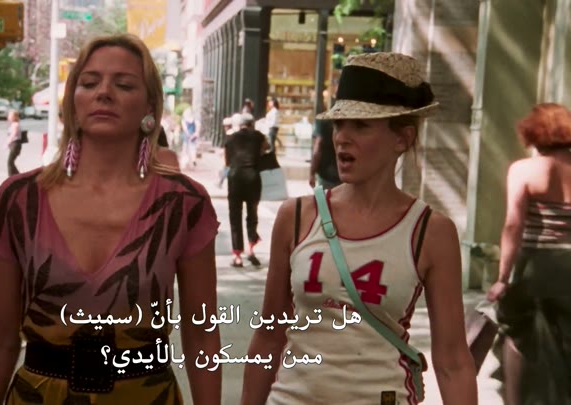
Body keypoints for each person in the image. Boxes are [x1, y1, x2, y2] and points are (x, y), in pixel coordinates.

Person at [0, 34, 221, 405]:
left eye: (124, 85)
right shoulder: (19, 200)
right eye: (89, 83)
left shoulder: (184, 203)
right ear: (73, 101)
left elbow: (202, 335)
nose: (104, 93)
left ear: (150, 106)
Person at [242, 52, 477, 404]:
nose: (342, 138)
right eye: (339, 124)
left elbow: (453, 360)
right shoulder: (297, 216)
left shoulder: (431, 232)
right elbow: (269, 335)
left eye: (360, 125)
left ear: (403, 139)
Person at [487, 103, 571, 405]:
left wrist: (502, 278)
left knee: (516, 331)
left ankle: (515, 400)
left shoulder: (523, 170)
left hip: (536, 264)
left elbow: (514, 225)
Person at [224, 113, 270, 268]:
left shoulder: (230, 138)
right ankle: (251, 249)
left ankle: (237, 256)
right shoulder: (259, 136)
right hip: (252, 178)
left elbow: (227, 161)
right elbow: (266, 148)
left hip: (235, 178)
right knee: (252, 214)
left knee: (235, 216)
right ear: (252, 124)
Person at [309, 118, 341, 189]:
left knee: (324, 195)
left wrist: (312, 173)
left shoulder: (321, 121)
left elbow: (317, 148)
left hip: (326, 173)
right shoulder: (343, 120)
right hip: (342, 172)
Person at [5, 110, 23, 176]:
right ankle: (18, 176)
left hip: (16, 145)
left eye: (10, 115)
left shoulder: (15, 124)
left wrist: (7, 143)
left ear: (14, 117)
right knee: (11, 162)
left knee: (10, 162)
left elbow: (13, 134)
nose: (8, 116)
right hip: (14, 145)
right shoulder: (13, 124)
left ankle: (11, 177)